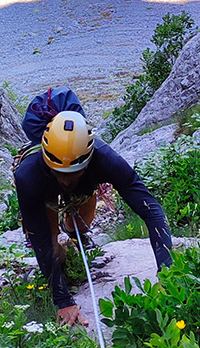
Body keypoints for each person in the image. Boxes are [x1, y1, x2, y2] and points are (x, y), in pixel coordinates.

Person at [13, 109, 173, 326]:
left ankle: (75, 234)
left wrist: (167, 273)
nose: (65, 181)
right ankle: (57, 259)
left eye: (73, 173)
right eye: (60, 172)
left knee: (79, 227)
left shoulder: (105, 159)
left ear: (88, 160)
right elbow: (40, 240)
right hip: (45, 193)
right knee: (54, 250)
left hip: (85, 188)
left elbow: (151, 211)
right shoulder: (28, 175)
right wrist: (64, 301)